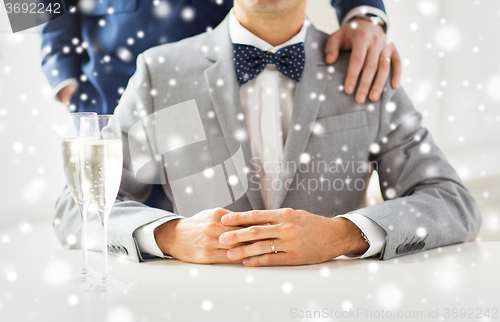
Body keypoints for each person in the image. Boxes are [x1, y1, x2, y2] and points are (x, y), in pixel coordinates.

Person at [54, 0, 481, 266]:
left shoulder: (365, 71)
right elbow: (76, 209)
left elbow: (453, 202)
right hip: (124, 88)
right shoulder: (159, 74)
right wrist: (167, 236)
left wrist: (346, 234)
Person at [40, 0, 399, 213]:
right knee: (113, 228)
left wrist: (364, 12)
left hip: (224, 94)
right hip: (113, 97)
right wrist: (62, 76)